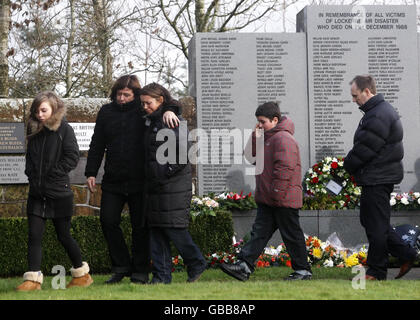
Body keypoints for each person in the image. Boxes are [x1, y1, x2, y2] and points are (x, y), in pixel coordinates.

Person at [85, 75, 180, 284]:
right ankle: (121, 266)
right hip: (113, 180)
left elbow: (167, 100)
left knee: (140, 227)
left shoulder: (143, 109)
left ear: (135, 95)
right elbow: (97, 144)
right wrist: (91, 172)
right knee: (108, 221)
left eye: (126, 95)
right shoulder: (106, 112)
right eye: (118, 94)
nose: (121, 98)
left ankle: (140, 270)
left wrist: (172, 110)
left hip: (140, 180)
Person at [220, 102, 312, 281]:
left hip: (281, 198)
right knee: (259, 234)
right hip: (270, 198)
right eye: (258, 122)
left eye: (262, 121)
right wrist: (256, 136)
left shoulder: (283, 138)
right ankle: (244, 266)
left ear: (275, 120)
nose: (260, 124)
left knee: (291, 235)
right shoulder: (268, 137)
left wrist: (276, 193)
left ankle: (303, 271)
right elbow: (249, 156)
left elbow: (285, 168)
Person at [344, 75, 418, 280]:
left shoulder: (378, 114)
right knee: (373, 221)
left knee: (375, 225)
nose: (354, 100)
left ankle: (377, 271)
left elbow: (365, 148)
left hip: (377, 177)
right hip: (376, 176)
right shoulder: (377, 111)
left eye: (355, 95)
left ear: (367, 92)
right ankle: (406, 253)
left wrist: (347, 166)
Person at [16, 91, 93, 291]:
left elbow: (72, 156)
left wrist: (53, 175)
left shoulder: (65, 129)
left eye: (43, 110)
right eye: (36, 110)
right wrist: (31, 174)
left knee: (64, 236)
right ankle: (32, 280)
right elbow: (30, 159)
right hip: (36, 195)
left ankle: (82, 275)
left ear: (54, 109)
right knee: (34, 235)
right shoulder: (33, 131)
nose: (39, 114)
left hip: (59, 194)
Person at [140, 82, 206, 284]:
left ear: (160, 101)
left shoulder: (171, 121)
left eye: (148, 103)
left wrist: (162, 175)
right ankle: (161, 276)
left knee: (173, 229)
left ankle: (196, 262)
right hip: (158, 185)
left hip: (170, 185)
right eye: (142, 103)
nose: (144, 107)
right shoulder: (153, 120)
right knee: (157, 231)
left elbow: (180, 155)